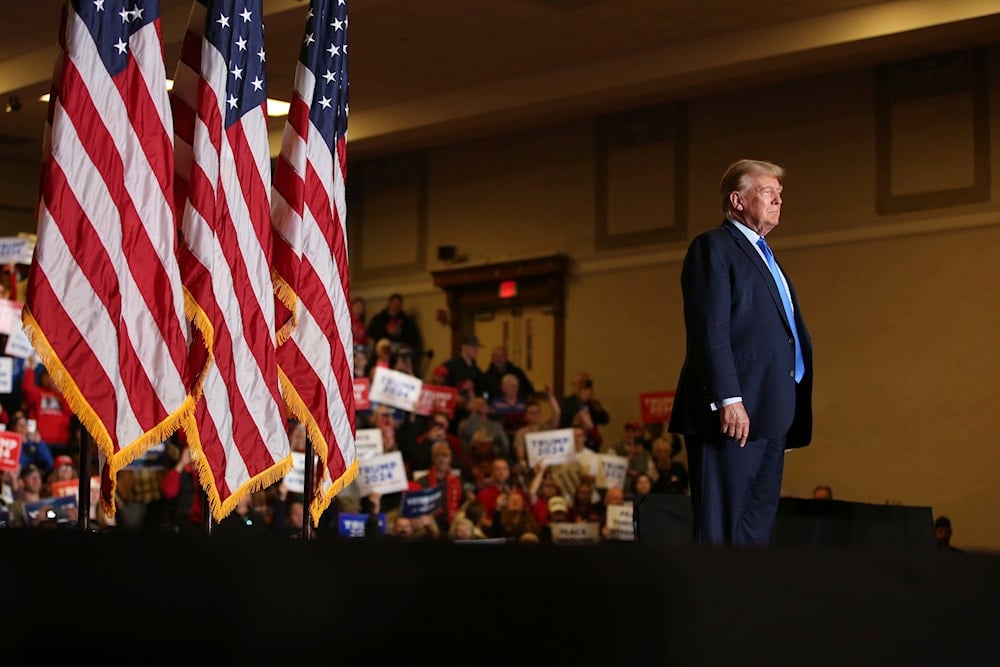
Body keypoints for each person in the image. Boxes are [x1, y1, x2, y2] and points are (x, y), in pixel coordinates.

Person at [668, 159, 813, 546]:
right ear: (737, 199)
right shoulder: (713, 247)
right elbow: (709, 329)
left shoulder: (766, 255)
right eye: (768, 192)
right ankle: (711, 603)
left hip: (770, 411)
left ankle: (745, 602)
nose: (778, 200)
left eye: (780, 194)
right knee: (721, 529)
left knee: (756, 530)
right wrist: (728, 398)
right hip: (732, 413)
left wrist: (786, 403)